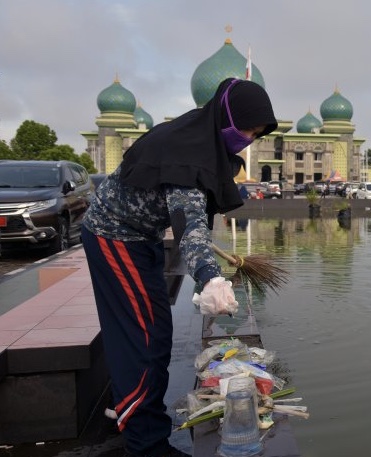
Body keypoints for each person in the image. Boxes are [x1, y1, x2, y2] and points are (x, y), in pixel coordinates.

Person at [81, 77, 277, 457]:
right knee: (142, 340)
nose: (249, 139)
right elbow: (189, 227)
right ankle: (145, 444)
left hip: (142, 238)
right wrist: (210, 278)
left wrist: (208, 267)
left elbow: (196, 218)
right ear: (226, 117)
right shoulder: (187, 151)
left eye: (256, 134)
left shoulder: (202, 142)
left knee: (156, 332)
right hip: (114, 237)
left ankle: (145, 421)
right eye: (246, 129)